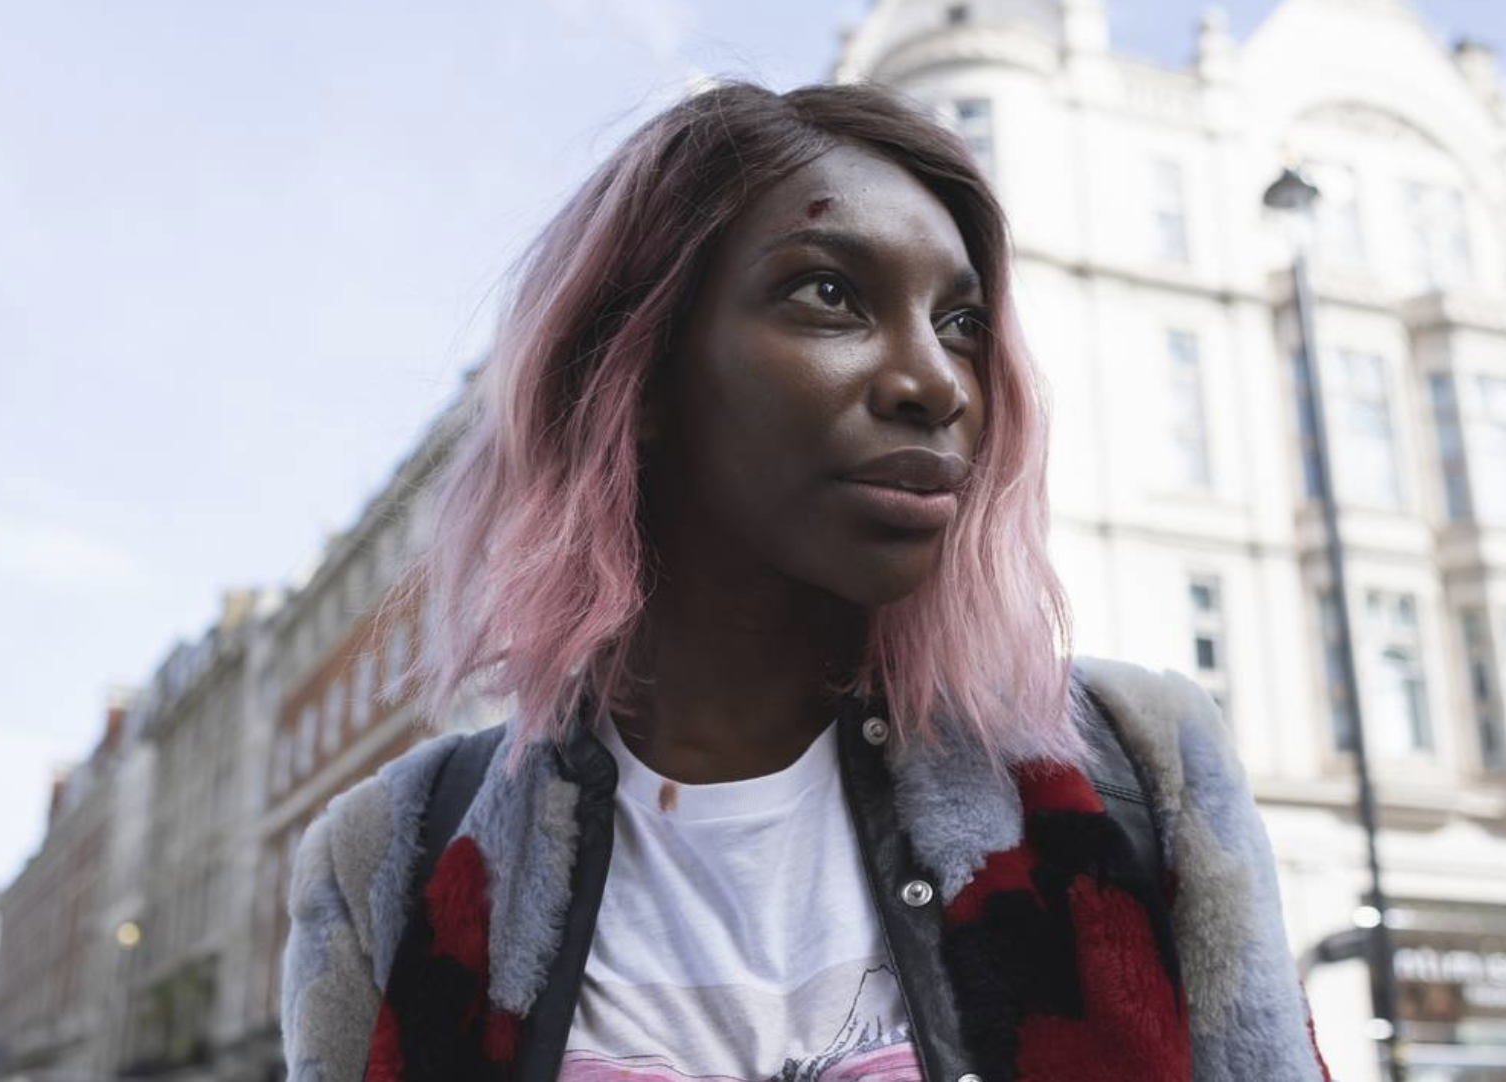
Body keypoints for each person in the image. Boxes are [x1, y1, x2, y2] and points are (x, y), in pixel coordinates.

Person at [281, 81, 1331, 1082]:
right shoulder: (399, 858)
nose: (932, 383)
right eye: (829, 293)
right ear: (629, 371)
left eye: (959, 324)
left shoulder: (1133, 774)